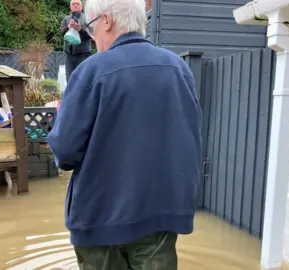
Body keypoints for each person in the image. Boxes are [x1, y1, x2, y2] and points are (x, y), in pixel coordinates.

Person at [47, 0, 202, 268]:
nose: (92, 37)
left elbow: (65, 151)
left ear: (107, 21)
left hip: (99, 220)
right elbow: (191, 138)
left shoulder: (91, 71)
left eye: (92, 28)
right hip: (161, 217)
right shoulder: (179, 69)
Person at [60, 0, 92, 81]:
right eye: (73, 4)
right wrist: (68, 27)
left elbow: (91, 36)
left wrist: (80, 29)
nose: (75, 6)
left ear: (81, 7)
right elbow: (61, 33)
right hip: (69, 56)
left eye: (77, 4)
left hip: (83, 55)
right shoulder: (66, 19)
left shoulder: (87, 19)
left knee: (82, 80)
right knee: (70, 80)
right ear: (70, 7)